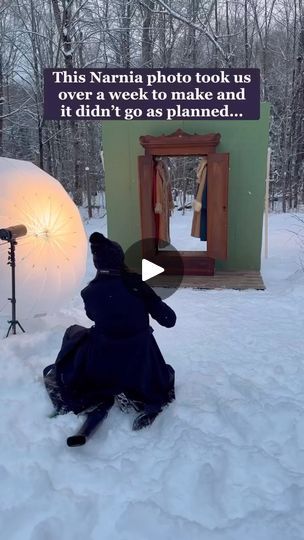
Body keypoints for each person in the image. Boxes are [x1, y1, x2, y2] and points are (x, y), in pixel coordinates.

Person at [43, 232, 176, 433]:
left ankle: (86, 385)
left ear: (97, 264)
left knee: (73, 332)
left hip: (103, 362)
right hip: (141, 363)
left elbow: (93, 316)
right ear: (120, 260)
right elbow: (169, 320)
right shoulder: (136, 285)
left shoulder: (89, 292)